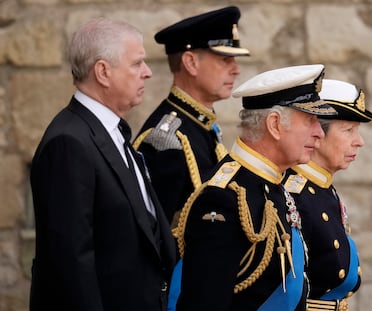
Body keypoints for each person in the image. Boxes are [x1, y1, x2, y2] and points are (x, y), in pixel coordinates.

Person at [29, 18, 176, 311]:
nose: (147, 73)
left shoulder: (109, 131)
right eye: (136, 64)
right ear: (103, 72)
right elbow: (70, 264)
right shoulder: (68, 142)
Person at [171, 64, 338, 311]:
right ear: (274, 124)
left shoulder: (272, 184)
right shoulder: (225, 197)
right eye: (311, 120)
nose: (319, 134)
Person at [132, 6, 250, 226]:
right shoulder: (165, 141)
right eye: (225, 60)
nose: (236, 70)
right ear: (191, 63)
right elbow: (156, 236)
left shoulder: (202, 127)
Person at [283, 79, 372, 311]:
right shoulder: (291, 193)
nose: (360, 141)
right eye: (348, 130)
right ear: (316, 132)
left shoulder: (324, 189)